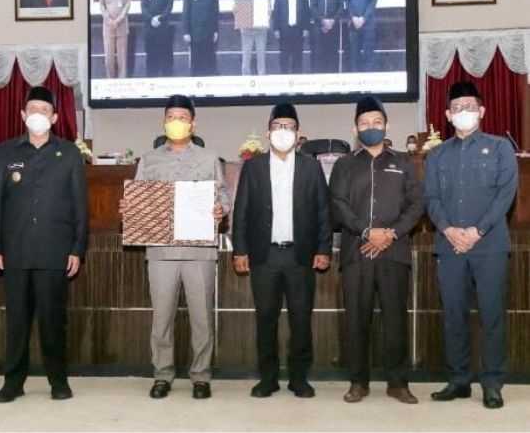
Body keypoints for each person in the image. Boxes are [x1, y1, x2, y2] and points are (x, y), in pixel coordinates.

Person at [120, 94, 228, 400]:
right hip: (161, 252)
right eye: (171, 117)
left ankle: (201, 376)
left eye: (182, 117)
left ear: (193, 124)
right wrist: (130, 207)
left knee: (202, 318)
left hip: (199, 252)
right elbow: (138, 198)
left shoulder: (209, 158)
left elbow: (222, 194)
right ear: (163, 122)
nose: (176, 122)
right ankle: (162, 374)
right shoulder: (148, 160)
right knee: (162, 319)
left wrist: (220, 208)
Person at [0, 86, 88, 403]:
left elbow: (80, 206)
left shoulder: (69, 153)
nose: (38, 115)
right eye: (33, 109)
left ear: (54, 117)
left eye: (45, 110)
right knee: (16, 322)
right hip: (15, 251)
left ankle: (58, 380)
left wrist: (77, 249)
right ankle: (13, 382)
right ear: (22, 115)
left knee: (53, 321)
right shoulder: (6, 152)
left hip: (54, 251)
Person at [425, 81, 518, 409]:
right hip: (449, 246)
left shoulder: (500, 148)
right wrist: (449, 230)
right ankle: (459, 379)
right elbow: (431, 198)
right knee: (454, 315)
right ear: (448, 115)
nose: (463, 112)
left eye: (469, 106)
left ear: (481, 111)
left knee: (492, 316)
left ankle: (492, 383)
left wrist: (478, 231)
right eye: (457, 108)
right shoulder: (436, 155)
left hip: (490, 245)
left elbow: (506, 194)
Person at [232, 103, 331, 399]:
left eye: (289, 127)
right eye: (278, 126)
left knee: (301, 318)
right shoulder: (253, 167)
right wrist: (240, 250)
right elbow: (241, 210)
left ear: (299, 134)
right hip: (265, 256)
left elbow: (323, 211)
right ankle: (268, 378)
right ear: (268, 132)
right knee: (266, 318)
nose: (283, 131)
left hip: (301, 255)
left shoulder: (311, 167)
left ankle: (299, 378)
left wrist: (324, 248)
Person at [329, 96, 423, 404]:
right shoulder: (344, 164)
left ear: (386, 126)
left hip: (394, 252)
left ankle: (398, 383)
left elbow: (416, 204)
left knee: (396, 320)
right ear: (355, 128)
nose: (371, 127)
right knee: (357, 320)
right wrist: (367, 231)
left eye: (377, 122)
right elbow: (337, 204)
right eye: (364, 123)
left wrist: (390, 233)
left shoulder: (403, 162)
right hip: (357, 252)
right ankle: (359, 382)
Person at [182, 0, 220, 76]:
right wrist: (186, 31)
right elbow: (186, 9)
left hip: (209, 31)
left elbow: (215, 9)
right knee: (196, 64)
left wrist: (216, 30)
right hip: (195, 32)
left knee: (210, 63)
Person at [272, 0, 310, 74]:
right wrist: (276, 28)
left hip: (298, 29)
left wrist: (306, 27)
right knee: (284, 57)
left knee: (297, 58)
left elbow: (306, 9)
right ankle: (284, 81)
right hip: (284, 29)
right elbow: (277, 8)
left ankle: (297, 82)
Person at [234, 0, 270, 76]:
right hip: (246, 28)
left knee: (261, 59)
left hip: (261, 28)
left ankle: (262, 83)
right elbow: (236, 4)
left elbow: (268, 3)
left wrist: (267, 18)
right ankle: (246, 83)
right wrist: (238, 21)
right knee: (246, 59)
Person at [141, 0, 174, 77]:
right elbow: (143, 7)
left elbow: (169, 5)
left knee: (166, 58)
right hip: (150, 29)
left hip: (164, 28)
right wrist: (151, 19)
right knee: (151, 59)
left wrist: (160, 18)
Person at [309, 0, 343, 73]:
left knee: (332, 57)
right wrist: (323, 21)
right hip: (318, 27)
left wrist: (332, 21)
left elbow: (341, 6)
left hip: (334, 27)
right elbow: (312, 6)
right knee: (319, 57)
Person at [99, 0, 131, 78]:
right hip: (108, 28)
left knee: (122, 60)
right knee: (109, 60)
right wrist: (109, 20)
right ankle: (110, 84)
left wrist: (118, 20)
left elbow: (128, 4)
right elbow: (102, 5)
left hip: (121, 26)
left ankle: (122, 84)